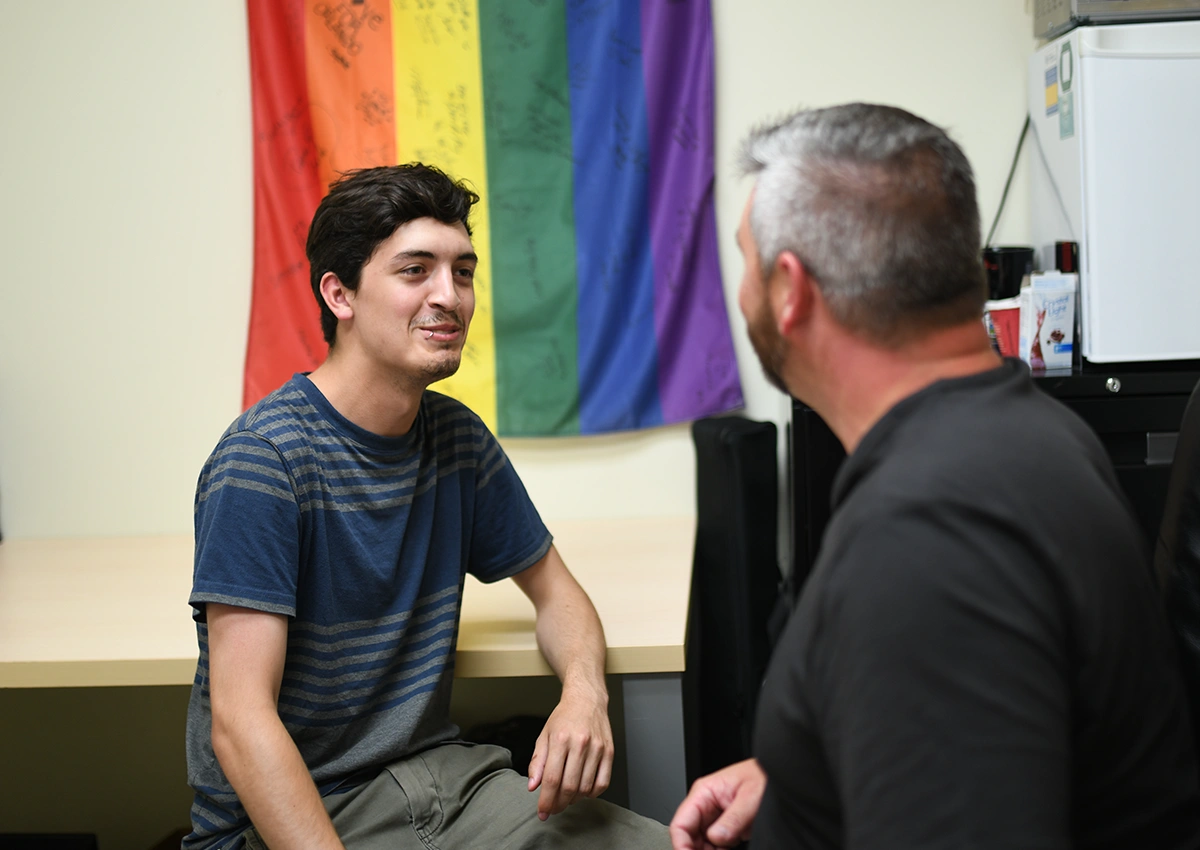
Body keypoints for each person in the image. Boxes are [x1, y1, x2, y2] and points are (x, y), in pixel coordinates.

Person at [670, 103, 1200, 850]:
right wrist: (813, 765)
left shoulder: (929, 537)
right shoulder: (1028, 433)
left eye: (744, 257)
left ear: (791, 291)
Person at [184, 163, 671, 850]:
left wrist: (584, 694)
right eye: (416, 270)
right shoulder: (264, 460)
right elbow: (241, 722)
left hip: (446, 785)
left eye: (463, 272)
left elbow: (560, 597)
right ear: (339, 293)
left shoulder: (456, 439)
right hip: (306, 814)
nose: (451, 296)